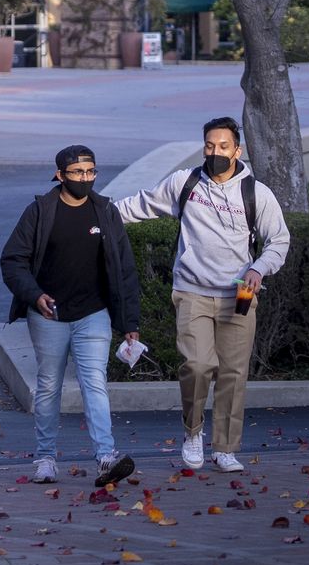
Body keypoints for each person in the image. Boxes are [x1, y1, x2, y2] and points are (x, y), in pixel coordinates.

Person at [112, 117, 290, 474]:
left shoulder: (256, 192)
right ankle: (193, 433)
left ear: (237, 150)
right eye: (210, 146)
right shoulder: (186, 182)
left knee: (233, 373)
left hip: (238, 295)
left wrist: (259, 268)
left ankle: (225, 447)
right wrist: (99, 213)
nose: (216, 153)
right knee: (196, 365)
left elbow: (279, 240)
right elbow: (142, 204)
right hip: (192, 291)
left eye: (224, 147)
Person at [0, 145, 140, 487]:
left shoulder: (105, 211)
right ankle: (45, 458)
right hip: (48, 315)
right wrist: (36, 296)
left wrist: (129, 322)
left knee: (95, 382)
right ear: (60, 175)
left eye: (91, 172)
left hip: (94, 314)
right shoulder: (40, 211)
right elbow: (12, 260)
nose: (85, 179)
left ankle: (106, 457)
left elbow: (124, 268)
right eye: (78, 173)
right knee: (49, 386)